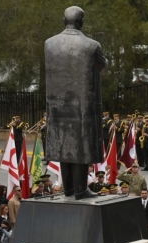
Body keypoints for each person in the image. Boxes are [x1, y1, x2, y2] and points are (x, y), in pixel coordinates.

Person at [44, 6, 108, 200]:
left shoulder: (49, 44)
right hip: (82, 107)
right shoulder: (91, 45)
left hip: (57, 107)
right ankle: (80, 190)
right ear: (82, 21)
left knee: (64, 147)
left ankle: (69, 189)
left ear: (64, 20)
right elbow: (102, 66)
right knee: (81, 147)